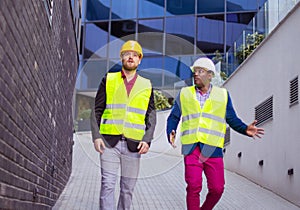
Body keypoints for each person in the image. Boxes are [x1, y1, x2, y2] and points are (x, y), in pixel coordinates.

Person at [166, 57, 264, 210]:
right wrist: (170, 130)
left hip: (213, 149)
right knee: (193, 186)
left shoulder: (222, 95)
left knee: (217, 189)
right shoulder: (184, 94)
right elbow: (174, 116)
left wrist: (245, 129)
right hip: (192, 148)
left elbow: (232, 119)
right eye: (195, 71)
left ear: (210, 75)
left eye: (200, 71)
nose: (196, 74)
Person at [93, 40, 156, 210]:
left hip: (133, 145)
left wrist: (147, 139)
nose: (131, 57)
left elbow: (151, 115)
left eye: (135, 55)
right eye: (127, 54)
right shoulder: (109, 79)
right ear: (121, 57)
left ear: (139, 60)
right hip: (108, 143)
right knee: (107, 185)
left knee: (127, 190)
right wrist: (96, 136)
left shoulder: (146, 85)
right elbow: (97, 109)